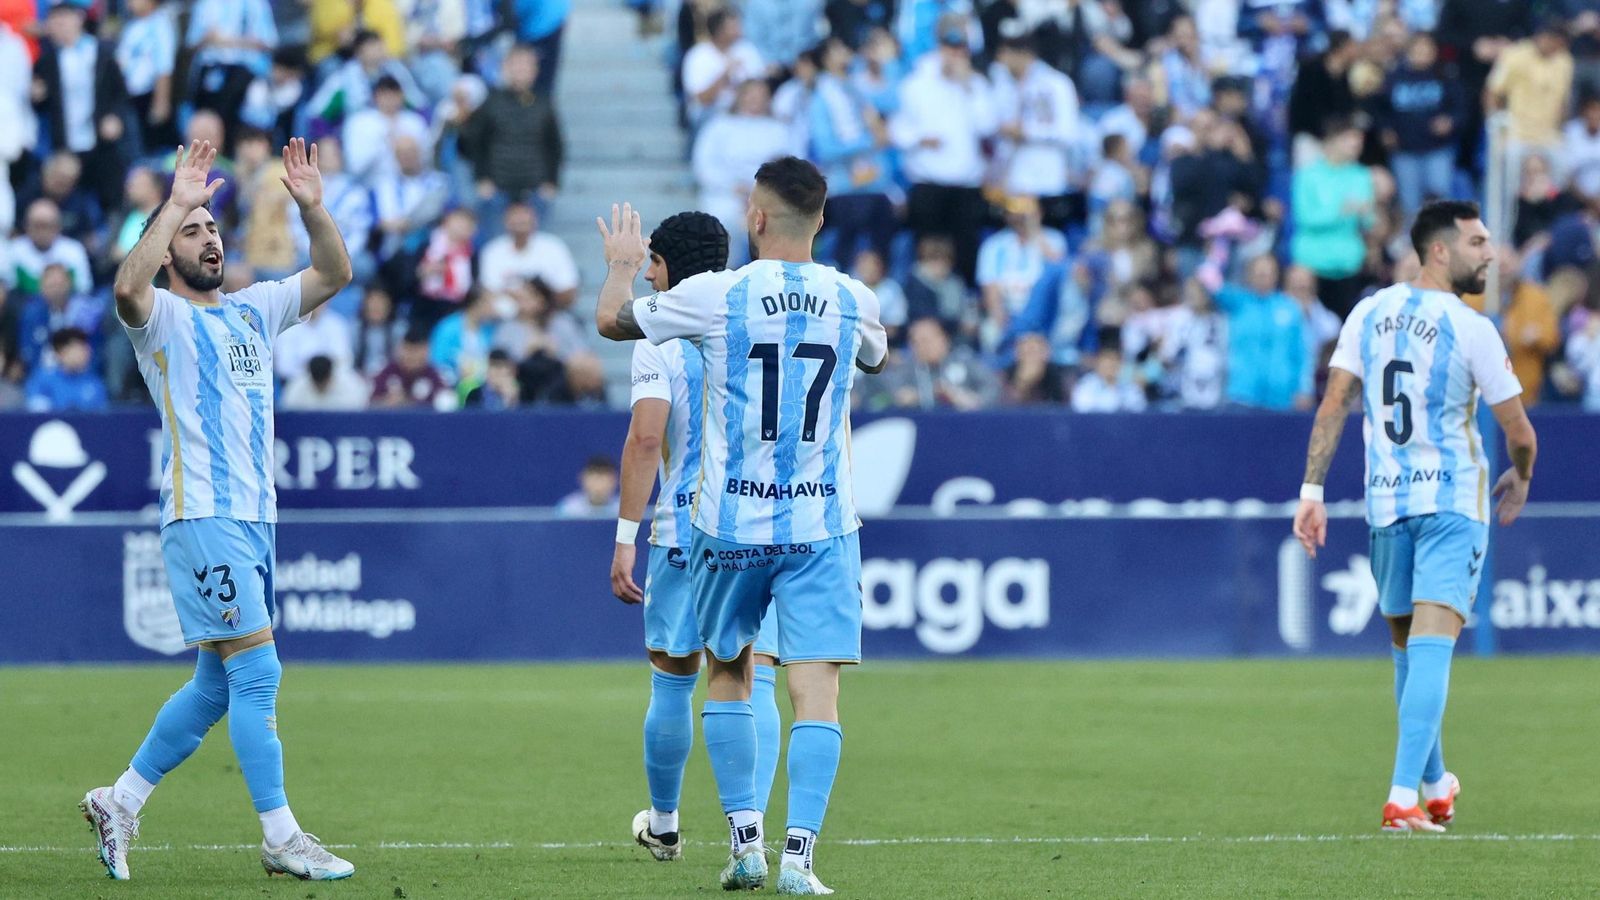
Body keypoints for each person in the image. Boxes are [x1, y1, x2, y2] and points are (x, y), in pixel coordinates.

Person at [595, 157, 887, 895]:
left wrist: (624, 269)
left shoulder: (715, 296)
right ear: (820, 221)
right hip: (820, 523)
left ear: (755, 219)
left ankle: (745, 845)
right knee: (813, 689)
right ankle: (801, 861)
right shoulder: (856, 298)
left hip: (728, 524)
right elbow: (875, 359)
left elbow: (612, 322)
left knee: (724, 673)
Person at [81, 138, 355, 882]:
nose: (211, 238)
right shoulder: (162, 317)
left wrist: (312, 207)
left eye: (212, 227)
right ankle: (281, 835)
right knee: (259, 673)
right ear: (168, 252)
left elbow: (335, 271)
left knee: (214, 686)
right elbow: (125, 292)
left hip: (254, 520)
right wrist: (171, 204)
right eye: (193, 231)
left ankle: (120, 800)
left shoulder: (252, 312)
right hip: (202, 514)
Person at [1292, 200, 1537, 835]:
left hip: (1387, 504)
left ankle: (1434, 782)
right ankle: (1402, 797)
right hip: (1453, 504)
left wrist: (1311, 491)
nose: (1489, 252)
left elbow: (1333, 406)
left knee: (1410, 655)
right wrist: (1524, 475)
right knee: (1431, 653)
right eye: (1478, 242)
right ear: (1439, 251)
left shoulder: (1367, 313)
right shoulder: (1471, 327)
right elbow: (1520, 432)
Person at [608, 211, 785, 863]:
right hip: (754, 527)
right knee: (751, 676)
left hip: (683, 529)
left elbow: (647, 437)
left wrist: (626, 535)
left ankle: (664, 822)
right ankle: (750, 834)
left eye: (653, 263)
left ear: (671, 267)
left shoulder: (658, 329)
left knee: (674, 681)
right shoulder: (758, 319)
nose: (649, 274)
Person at [24, 327, 107, 412]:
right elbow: (36, 412)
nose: (86, 352)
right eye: (79, 348)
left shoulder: (94, 383)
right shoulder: (42, 379)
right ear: (61, 352)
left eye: (86, 348)